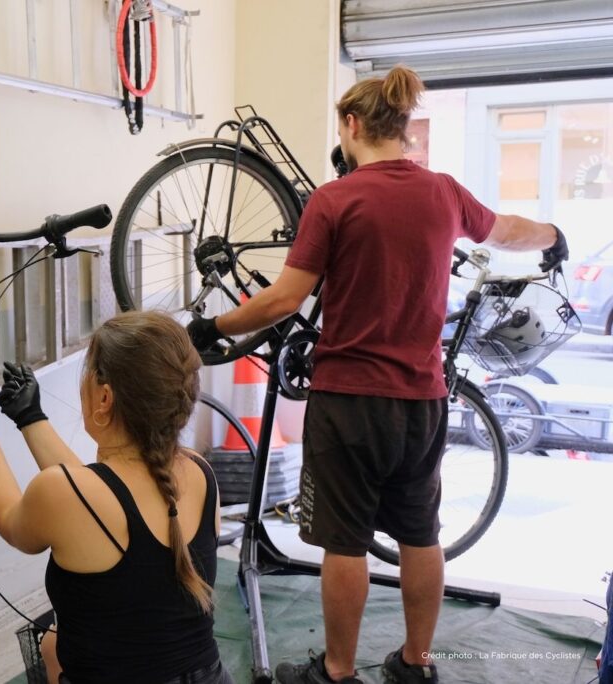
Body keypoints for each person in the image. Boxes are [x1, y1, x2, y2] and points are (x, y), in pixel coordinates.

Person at [188, 65, 569, 684]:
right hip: (423, 401)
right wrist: (555, 237)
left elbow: (285, 299)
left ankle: (337, 671)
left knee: (344, 543)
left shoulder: (333, 200)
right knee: (422, 535)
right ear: (403, 129)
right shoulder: (444, 193)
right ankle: (416, 665)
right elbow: (508, 231)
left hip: (349, 403)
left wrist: (214, 328)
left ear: (352, 124)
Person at [0, 310, 235, 684]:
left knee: (57, 642)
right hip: (209, 677)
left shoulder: (67, 494)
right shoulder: (200, 472)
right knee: (52, 643)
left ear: (104, 397)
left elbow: (14, 523)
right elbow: (96, 495)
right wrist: (31, 417)